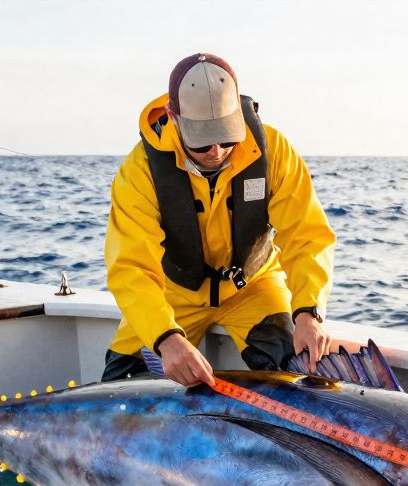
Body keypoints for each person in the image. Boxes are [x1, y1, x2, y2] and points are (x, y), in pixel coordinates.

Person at [102, 52, 336, 387]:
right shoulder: (139, 171)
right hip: (173, 295)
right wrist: (165, 337)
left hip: (253, 288)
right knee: (117, 389)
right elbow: (131, 267)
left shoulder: (274, 151)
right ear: (174, 117)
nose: (216, 151)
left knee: (301, 378)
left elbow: (307, 236)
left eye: (226, 136)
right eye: (202, 141)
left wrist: (309, 312)